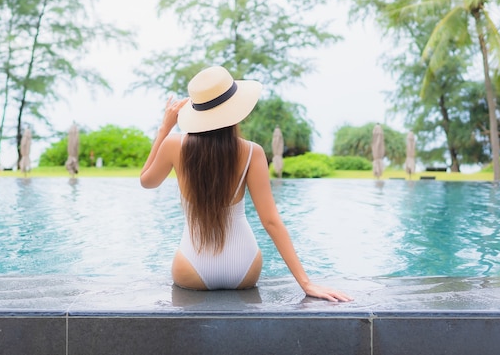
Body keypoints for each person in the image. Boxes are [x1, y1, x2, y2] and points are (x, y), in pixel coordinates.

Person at [140, 65, 352, 302]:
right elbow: (271, 221)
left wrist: (164, 129)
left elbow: (146, 181)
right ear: (234, 109)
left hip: (191, 269)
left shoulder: (173, 146)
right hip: (244, 270)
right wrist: (306, 283)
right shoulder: (252, 152)